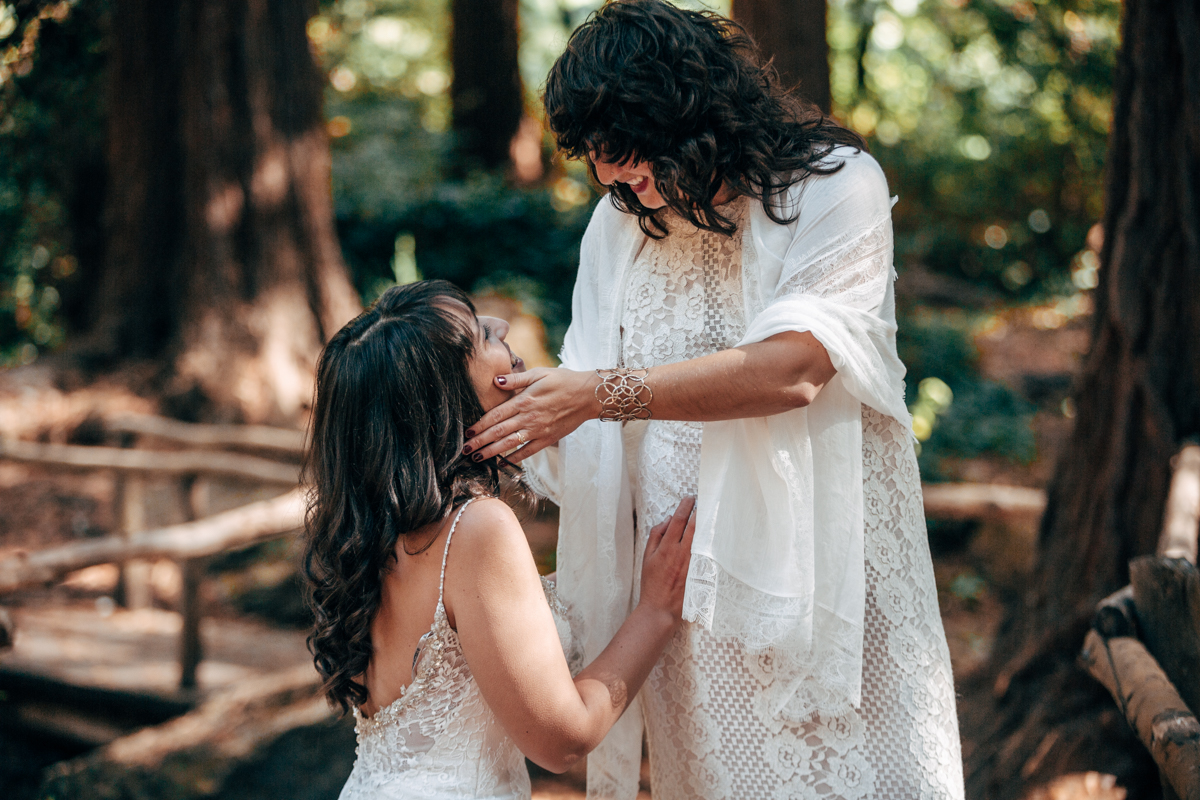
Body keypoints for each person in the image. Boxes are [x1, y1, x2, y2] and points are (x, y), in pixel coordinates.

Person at [461, 2, 965, 798]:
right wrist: (526, 412)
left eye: (627, 155)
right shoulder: (617, 227)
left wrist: (599, 396)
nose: (612, 179)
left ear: (691, 113)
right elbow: (586, 412)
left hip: (831, 585)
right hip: (689, 605)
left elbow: (795, 370)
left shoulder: (834, 186)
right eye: (598, 159)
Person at [302, 280, 698, 800]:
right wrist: (657, 610)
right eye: (479, 334)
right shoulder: (477, 530)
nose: (503, 327)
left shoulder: (376, 535)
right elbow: (562, 741)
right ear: (443, 398)